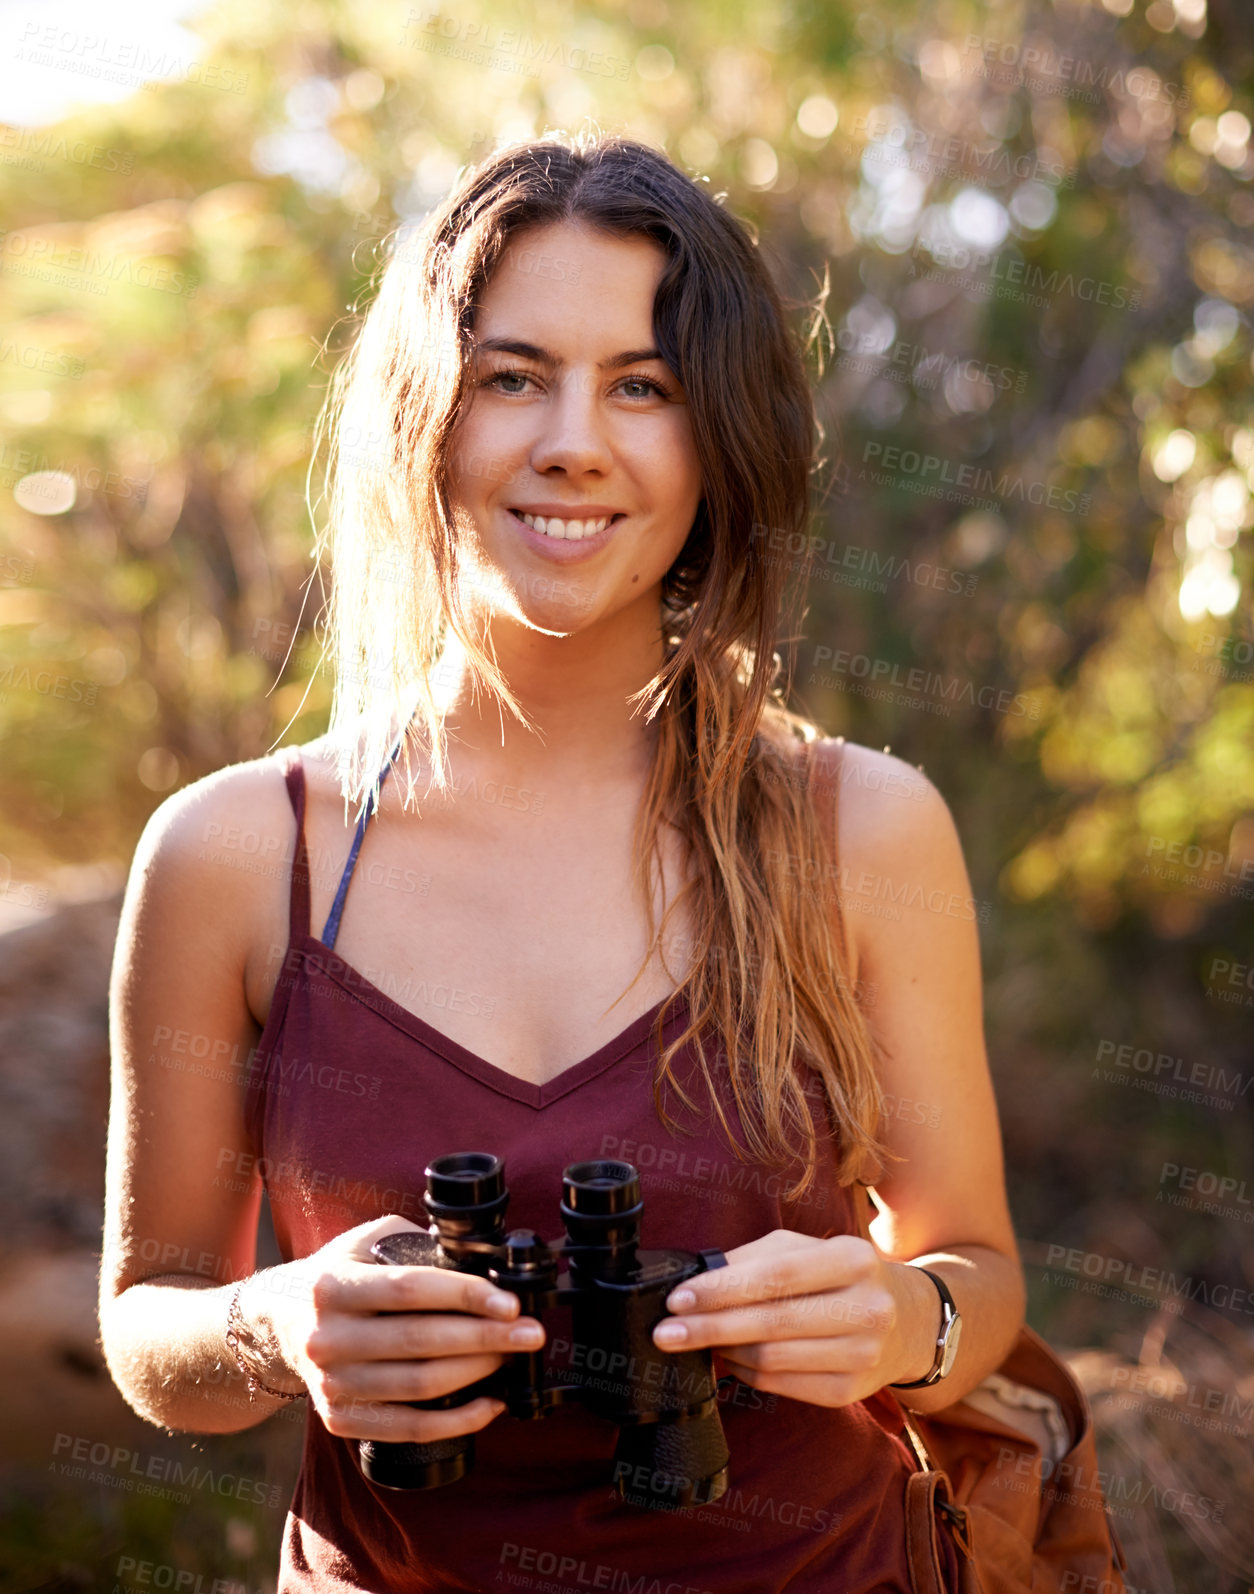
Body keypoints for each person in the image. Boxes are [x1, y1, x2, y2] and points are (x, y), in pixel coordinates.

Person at [100, 130, 1026, 1593]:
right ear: (426, 411)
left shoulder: (860, 827)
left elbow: (973, 1265)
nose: (570, 441)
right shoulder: (235, 852)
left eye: (641, 386)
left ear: (718, 438)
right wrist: (279, 1324)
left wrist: (897, 1321)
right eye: (512, 374)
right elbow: (153, 1324)